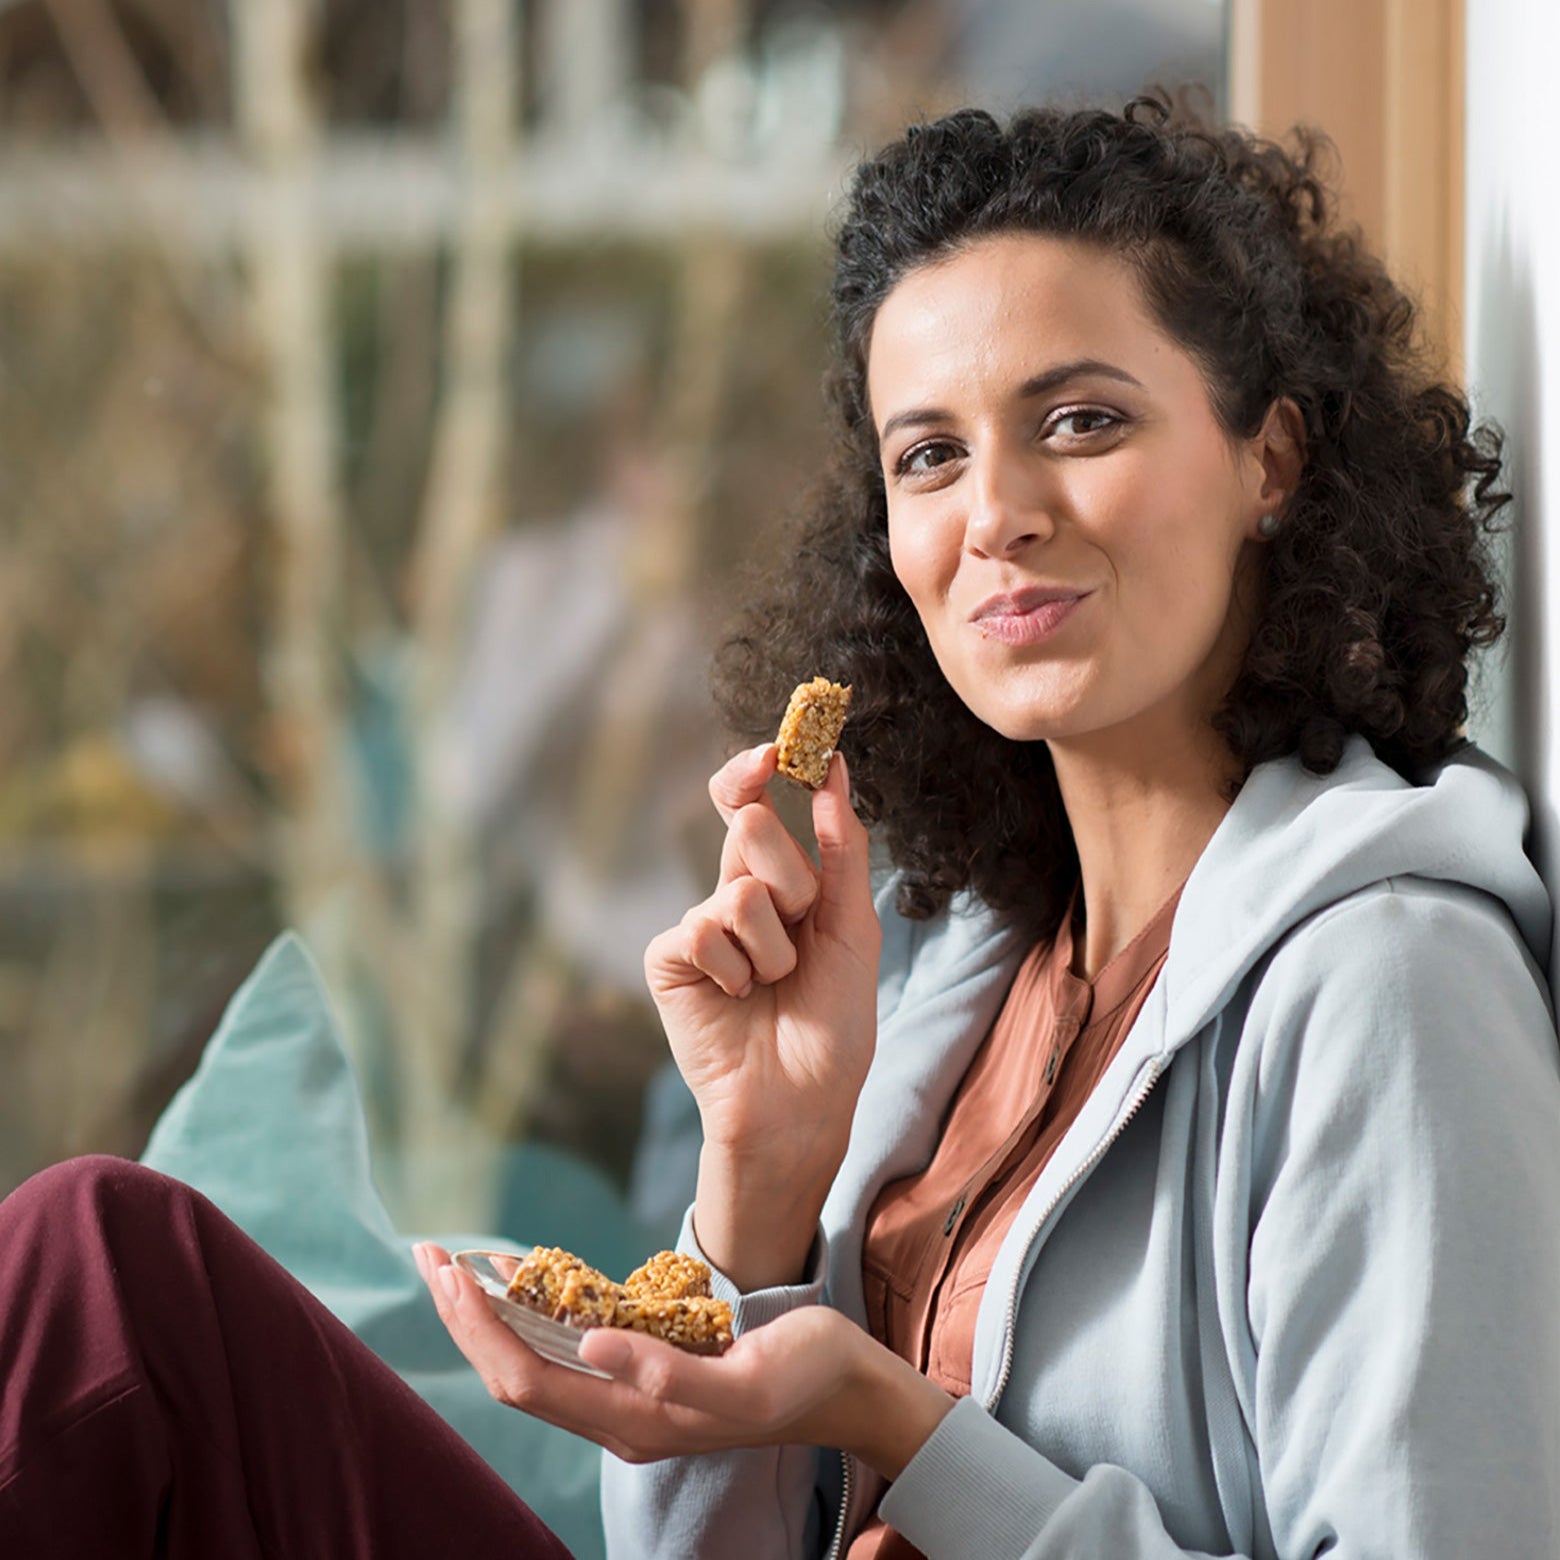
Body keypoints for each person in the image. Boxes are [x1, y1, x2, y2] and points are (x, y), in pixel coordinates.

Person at [2, 94, 1557, 1560]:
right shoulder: (974, 969)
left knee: (106, 1275)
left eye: (1082, 420)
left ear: (1268, 459)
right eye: (930, 455)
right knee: (108, 1270)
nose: (995, 513)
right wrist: (759, 1193)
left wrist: (898, 1425)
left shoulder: (1387, 982)